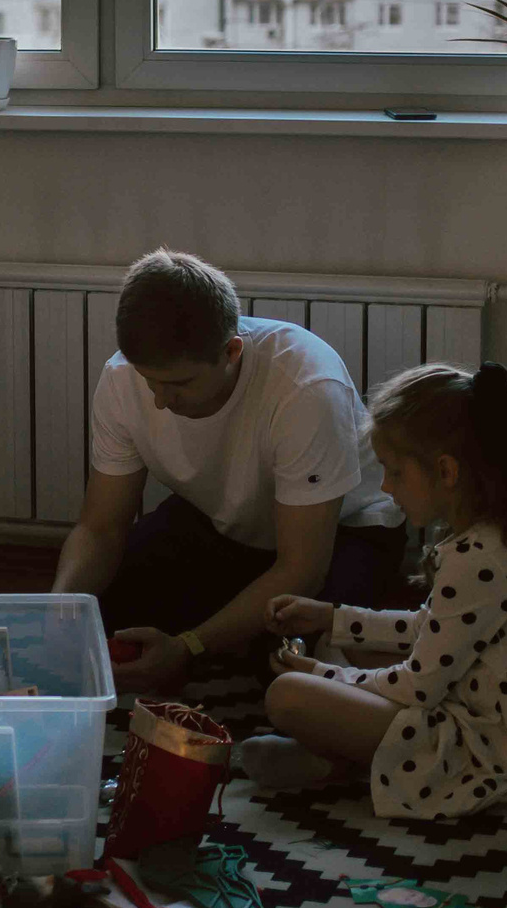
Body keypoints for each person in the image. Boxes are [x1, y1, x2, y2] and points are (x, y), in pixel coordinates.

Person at [50, 250, 404, 693]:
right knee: (103, 613)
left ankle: (224, 649)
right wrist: (60, 607)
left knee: (292, 668)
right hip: (225, 526)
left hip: (346, 534)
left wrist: (189, 646)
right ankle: (222, 640)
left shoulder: (305, 387)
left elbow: (302, 567)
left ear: (232, 351)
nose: (160, 400)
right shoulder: (121, 378)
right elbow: (100, 528)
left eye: (179, 384)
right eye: (149, 380)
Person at [240, 362, 507, 818]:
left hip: (483, 749)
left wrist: (319, 673)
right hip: (471, 703)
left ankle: (340, 759)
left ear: (446, 471)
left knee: (289, 693)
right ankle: (343, 754)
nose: (385, 486)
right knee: (341, 642)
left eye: (395, 472)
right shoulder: (491, 536)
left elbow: (419, 685)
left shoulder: (479, 557)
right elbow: (429, 630)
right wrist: (331, 618)